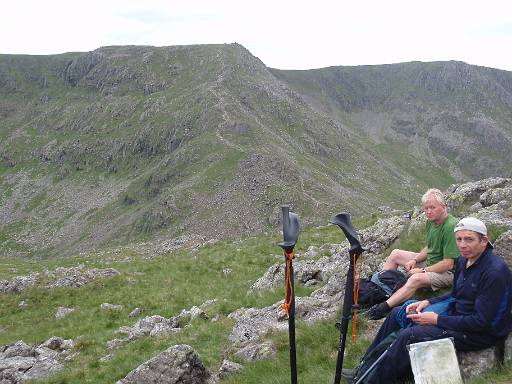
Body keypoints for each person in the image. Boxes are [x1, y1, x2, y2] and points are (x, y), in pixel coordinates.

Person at [344, 217, 512, 383]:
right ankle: (363, 368)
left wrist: (436, 320)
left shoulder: (494, 272)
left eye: (469, 239)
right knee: (398, 313)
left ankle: (373, 380)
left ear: (484, 240)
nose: (462, 245)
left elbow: (481, 322)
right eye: (459, 239)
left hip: (481, 333)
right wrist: (428, 302)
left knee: (410, 335)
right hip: (460, 316)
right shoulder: (463, 260)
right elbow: (456, 295)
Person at [366, 188, 459, 320]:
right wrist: (415, 260)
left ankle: (382, 308)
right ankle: (379, 290)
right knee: (396, 254)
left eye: (432, 207)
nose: (428, 211)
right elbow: (430, 247)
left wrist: (422, 270)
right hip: (432, 264)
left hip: (449, 274)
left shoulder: (450, 226)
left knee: (416, 278)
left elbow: (448, 264)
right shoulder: (431, 222)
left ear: (444, 206)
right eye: (426, 208)